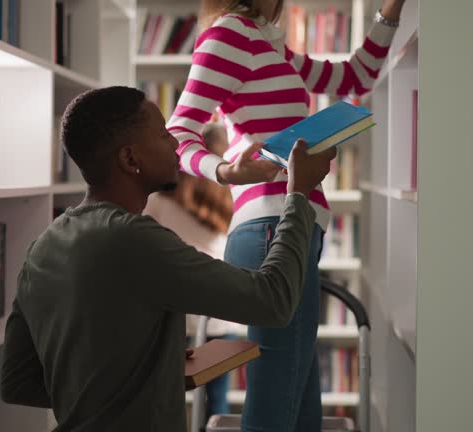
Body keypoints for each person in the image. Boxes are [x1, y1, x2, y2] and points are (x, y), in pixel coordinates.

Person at [0, 86, 336, 432]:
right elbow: (274, 301)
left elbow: (17, 383)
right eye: (162, 134)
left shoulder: (42, 246)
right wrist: (297, 195)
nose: (176, 144)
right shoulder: (134, 239)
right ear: (130, 160)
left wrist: (143, 370)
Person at [167, 0, 405, 430]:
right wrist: (224, 170)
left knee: (298, 402)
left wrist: (390, 10)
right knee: (277, 400)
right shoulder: (230, 34)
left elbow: (356, 77)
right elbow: (178, 133)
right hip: (271, 225)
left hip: (290, 224)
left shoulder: (268, 43)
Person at [144, 122, 244, 426]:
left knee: (165, 393)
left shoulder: (159, 203)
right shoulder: (235, 203)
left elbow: (143, 247)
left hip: (173, 313)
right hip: (218, 312)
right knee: (218, 399)